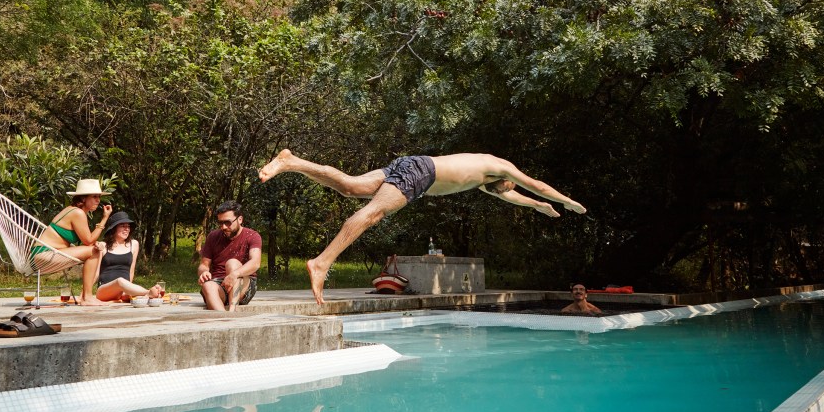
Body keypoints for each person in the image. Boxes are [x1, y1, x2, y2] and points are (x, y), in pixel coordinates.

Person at [258, 150, 587, 304]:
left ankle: (292, 162)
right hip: (421, 173)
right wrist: (566, 201)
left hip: (411, 164)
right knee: (372, 214)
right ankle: (322, 263)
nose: (504, 191)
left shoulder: (486, 177)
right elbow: (535, 184)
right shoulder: (499, 165)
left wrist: (540, 207)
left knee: (350, 186)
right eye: (505, 187)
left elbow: (516, 197)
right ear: (505, 179)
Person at [36, 178, 112, 306]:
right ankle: (87, 297)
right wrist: (104, 219)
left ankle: (86, 296)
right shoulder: (77, 213)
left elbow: (87, 241)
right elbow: (88, 241)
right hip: (44, 255)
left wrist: (94, 243)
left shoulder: (75, 211)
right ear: (83, 198)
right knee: (94, 250)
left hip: (51, 253)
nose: (98, 201)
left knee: (96, 248)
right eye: (94, 197)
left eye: (99, 197)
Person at [197, 200, 262, 311]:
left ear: (240, 219)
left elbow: (255, 263)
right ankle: (225, 319)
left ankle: (233, 310)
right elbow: (204, 265)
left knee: (232, 263)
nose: (223, 227)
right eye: (220, 223)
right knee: (207, 285)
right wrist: (203, 273)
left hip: (243, 285)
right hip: (219, 284)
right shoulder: (213, 236)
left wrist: (234, 274)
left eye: (227, 222)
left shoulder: (252, 236)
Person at [94, 211, 164, 302]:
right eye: (123, 226)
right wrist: (84, 293)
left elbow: (131, 271)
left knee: (125, 286)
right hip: (104, 291)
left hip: (123, 291)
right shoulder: (103, 246)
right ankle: (148, 292)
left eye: (128, 226)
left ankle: (147, 294)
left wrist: (128, 291)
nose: (126, 229)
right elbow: (95, 273)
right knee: (119, 281)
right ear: (114, 228)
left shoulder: (134, 244)